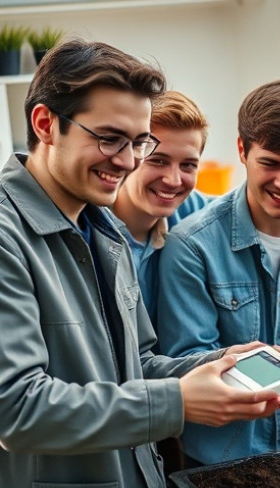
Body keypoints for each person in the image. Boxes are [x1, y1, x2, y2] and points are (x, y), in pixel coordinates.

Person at [0, 39, 280, 488]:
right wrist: (177, 402)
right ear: (46, 124)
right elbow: (19, 409)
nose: (126, 161)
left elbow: (134, 365)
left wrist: (217, 364)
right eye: (108, 138)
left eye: (139, 142)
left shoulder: (103, 229)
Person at [157, 79, 280, 466]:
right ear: (242, 150)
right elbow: (189, 359)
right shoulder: (191, 246)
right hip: (221, 462)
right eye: (270, 163)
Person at [111, 90, 212, 324]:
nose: (173, 180)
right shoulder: (86, 229)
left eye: (188, 165)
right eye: (158, 161)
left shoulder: (202, 215)